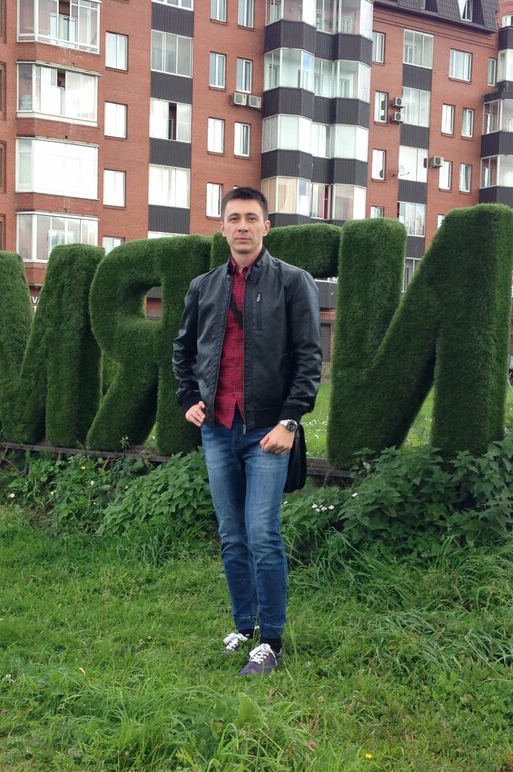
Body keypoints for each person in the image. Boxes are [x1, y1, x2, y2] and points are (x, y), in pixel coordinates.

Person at [172, 186, 322, 676]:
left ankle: (271, 641)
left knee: (262, 533)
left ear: (266, 226)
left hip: (267, 433)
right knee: (232, 535)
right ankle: (244, 625)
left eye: (251, 218)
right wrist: (188, 399)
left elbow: (309, 358)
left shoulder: (293, 282)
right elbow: (183, 350)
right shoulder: (203, 287)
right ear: (222, 228)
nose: (242, 226)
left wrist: (290, 420)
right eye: (233, 218)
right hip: (217, 429)